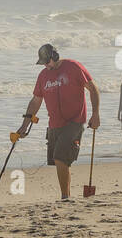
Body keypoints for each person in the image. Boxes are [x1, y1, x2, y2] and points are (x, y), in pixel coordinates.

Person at [21, 44, 100, 200]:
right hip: (54, 124)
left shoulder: (73, 67)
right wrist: (24, 125)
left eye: (47, 61)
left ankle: (64, 197)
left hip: (75, 121)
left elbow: (93, 88)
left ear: (55, 56)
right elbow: (36, 100)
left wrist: (95, 114)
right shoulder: (43, 75)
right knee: (59, 161)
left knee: (60, 157)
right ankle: (67, 194)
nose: (45, 65)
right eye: (42, 62)